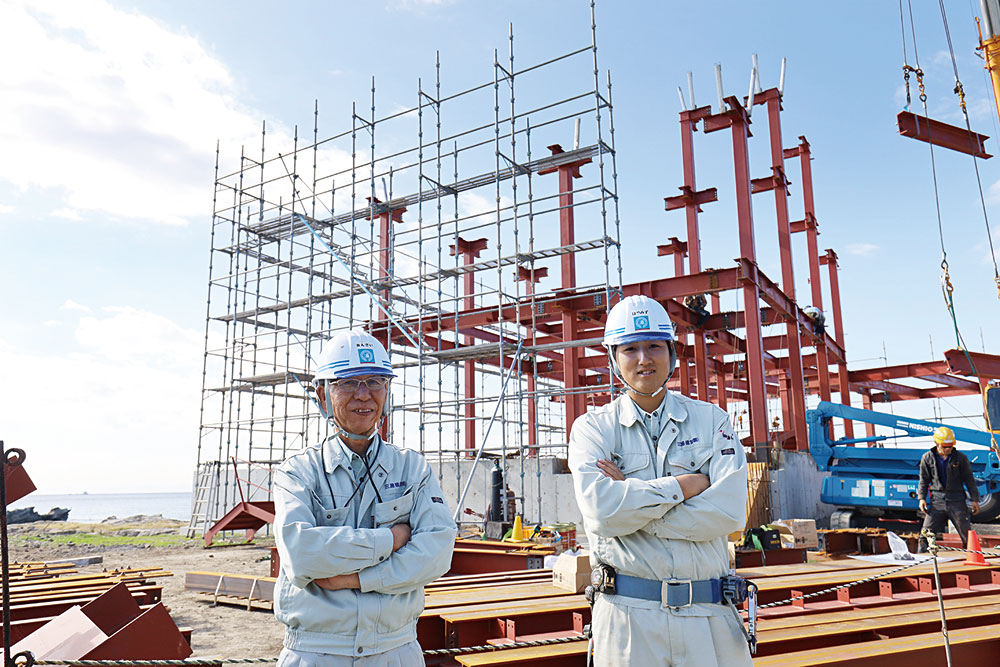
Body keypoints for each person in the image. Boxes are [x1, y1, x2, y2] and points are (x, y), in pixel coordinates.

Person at [568, 295, 752, 667]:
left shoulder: (712, 421)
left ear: (671, 352)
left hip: (709, 613)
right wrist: (682, 488)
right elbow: (602, 513)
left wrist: (632, 511)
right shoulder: (593, 429)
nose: (643, 358)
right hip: (628, 619)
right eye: (630, 348)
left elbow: (731, 514)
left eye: (654, 346)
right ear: (613, 358)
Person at [273, 328, 457, 666]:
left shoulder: (412, 469)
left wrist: (354, 578)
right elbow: (301, 555)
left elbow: (438, 552)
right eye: (347, 383)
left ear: (387, 391)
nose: (363, 395)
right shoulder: (297, 472)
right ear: (322, 395)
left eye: (375, 382)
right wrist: (392, 539)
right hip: (318, 651)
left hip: (396, 648)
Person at [918, 426, 979, 552]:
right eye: (945, 446)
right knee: (925, 534)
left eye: (950, 446)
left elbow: (969, 479)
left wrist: (975, 499)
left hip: (957, 501)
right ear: (936, 443)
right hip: (937, 501)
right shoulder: (927, 458)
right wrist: (921, 498)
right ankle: (922, 557)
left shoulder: (960, 458)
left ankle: (971, 556)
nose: (948, 449)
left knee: (967, 535)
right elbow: (923, 480)